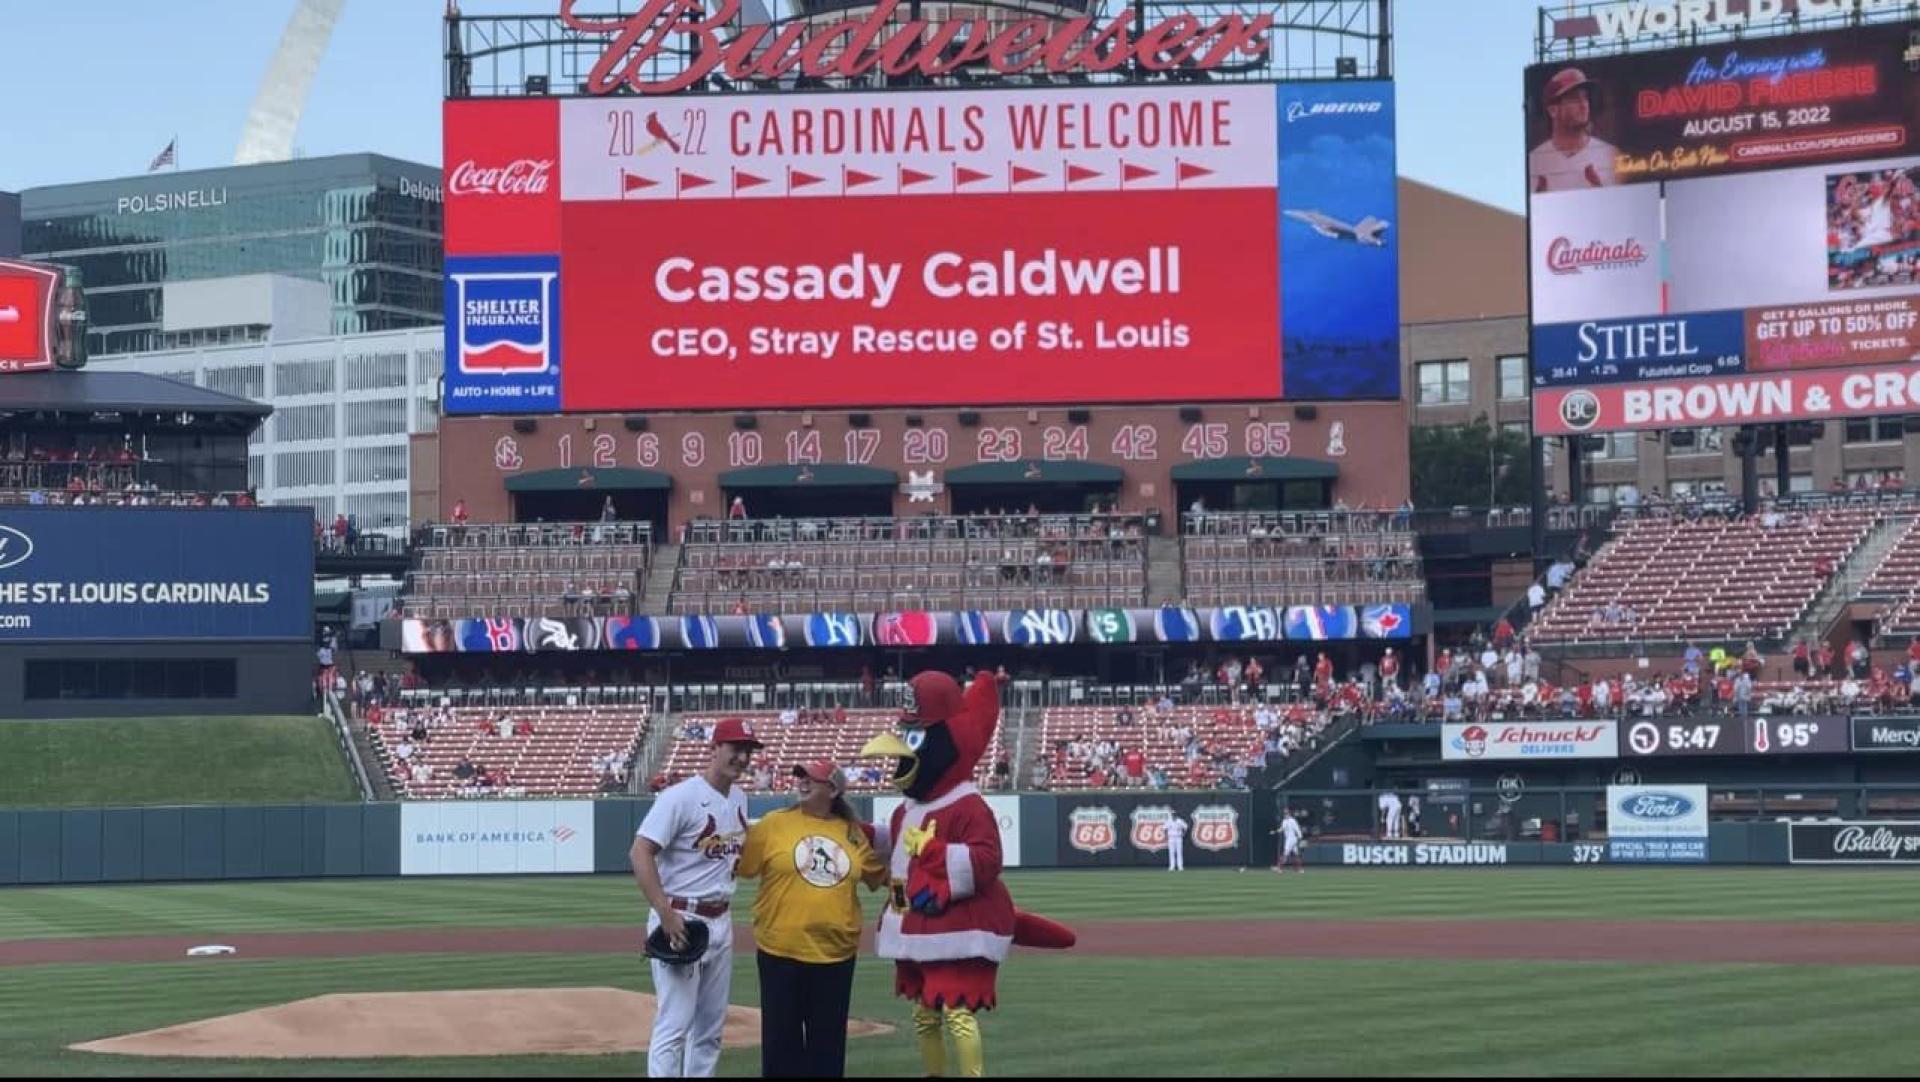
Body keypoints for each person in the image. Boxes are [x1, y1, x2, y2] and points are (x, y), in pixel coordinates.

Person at [629, 717, 764, 1078]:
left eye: (747, 751)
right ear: (714, 748)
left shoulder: (739, 797)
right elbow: (640, 852)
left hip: (721, 919)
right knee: (674, 1025)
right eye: (736, 748)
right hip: (681, 918)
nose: (742, 758)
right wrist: (664, 913)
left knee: (709, 1031)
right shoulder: (680, 797)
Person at [738, 760, 886, 1078]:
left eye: (812, 778)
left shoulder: (851, 833)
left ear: (833, 789)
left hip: (836, 955)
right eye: (800, 776)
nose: (802, 782)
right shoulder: (773, 824)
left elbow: (880, 876)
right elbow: (743, 867)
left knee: (828, 1052)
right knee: (780, 1049)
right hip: (780, 951)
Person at [1530, 67, 1617, 193]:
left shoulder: (1611, 155)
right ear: (1553, 110)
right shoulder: (1535, 161)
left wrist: (1601, 193)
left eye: (1585, 97)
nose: (1583, 105)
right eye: (1574, 98)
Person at [1274, 809, 1306, 874]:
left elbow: (1297, 828)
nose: (1286, 814)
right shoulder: (1284, 821)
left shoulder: (1292, 820)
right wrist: (1276, 831)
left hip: (1291, 839)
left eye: (1287, 813)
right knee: (1296, 854)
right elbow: (1282, 828)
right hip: (1289, 839)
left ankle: (1279, 868)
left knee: (1285, 853)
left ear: (1289, 814)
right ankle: (1299, 869)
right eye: (1285, 813)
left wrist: (1300, 837)